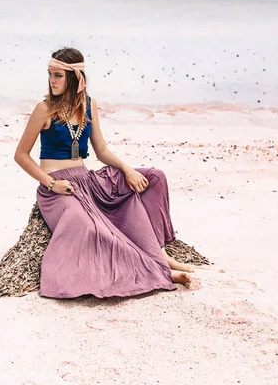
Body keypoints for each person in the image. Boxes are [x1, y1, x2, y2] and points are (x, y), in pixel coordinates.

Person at [14, 47, 193, 299]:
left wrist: (127, 169)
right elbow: (21, 155)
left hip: (88, 180)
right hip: (59, 187)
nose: (52, 81)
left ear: (75, 78)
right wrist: (50, 183)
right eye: (50, 74)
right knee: (89, 227)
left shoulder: (89, 105)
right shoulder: (44, 109)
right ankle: (159, 270)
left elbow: (101, 150)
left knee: (153, 178)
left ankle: (158, 251)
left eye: (58, 76)